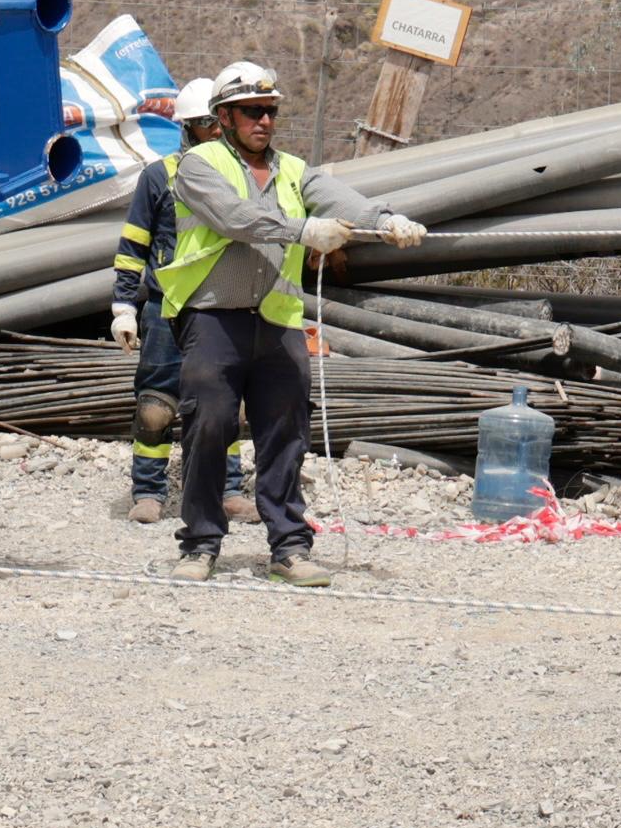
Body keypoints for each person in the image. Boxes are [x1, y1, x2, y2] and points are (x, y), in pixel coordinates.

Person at [156, 61, 427, 584]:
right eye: (252, 111)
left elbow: (342, 202)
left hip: (278, 319)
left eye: (271, 111)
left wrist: (385, 221)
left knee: (286, 434)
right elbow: (235, 219)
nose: (264, 120)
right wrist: (304, 231)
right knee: (209, 426)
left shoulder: (295, 171)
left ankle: (288, 547)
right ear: (224, 117)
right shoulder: (197, 165)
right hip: (212, 317)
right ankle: (200, 543)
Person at [109, 72, 191, 524]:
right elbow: (133, 246)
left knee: (221, 407)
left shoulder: (238, 178)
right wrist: (124, 308)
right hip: (165, 310)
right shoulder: (160, 178)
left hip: (219, 311)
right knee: (156, 407)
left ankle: (227, 487)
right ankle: (148, 491)